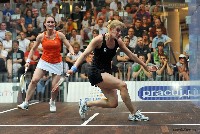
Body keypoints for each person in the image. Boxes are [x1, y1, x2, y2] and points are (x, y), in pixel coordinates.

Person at [64, 20, 150, 121]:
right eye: (117, 30)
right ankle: (134, 113)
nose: (119, 33)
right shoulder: (99, 39)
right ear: (110, 29)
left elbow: (131, 55)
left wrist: (145, 66)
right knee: (123, 85)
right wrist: (73, 68)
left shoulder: (118, 41)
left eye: (121, 31)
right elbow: (84, 54)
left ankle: (86, 103)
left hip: (105, 72)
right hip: (96, 72)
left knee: (113, 103)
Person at [17, 16, 74, 112]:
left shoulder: (60, 35)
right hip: (44, 61)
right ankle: (26, 103)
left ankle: (52, 101)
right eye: (48, 22)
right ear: (45, 24)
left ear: (55, 24)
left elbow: (69, 46)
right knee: (34, 80)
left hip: (57, 63)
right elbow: (33, 49)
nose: (50, 24)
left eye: (52, 22)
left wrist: (71, 52)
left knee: (54, 86)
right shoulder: (40, 36)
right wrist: (28, 61)